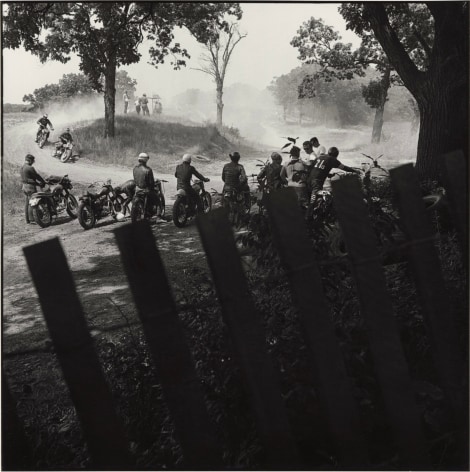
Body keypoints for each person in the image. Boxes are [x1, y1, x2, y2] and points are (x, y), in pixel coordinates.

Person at [306, 146, 361, 219]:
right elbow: (344, 168)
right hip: (317, 182)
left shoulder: (320, 156)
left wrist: (327, 174)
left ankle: (313, 217)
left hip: (309, 180)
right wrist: (355, 171)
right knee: (316, 200)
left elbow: (315, 168)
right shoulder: (332, 159)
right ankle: (308, 219)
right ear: (336, 155)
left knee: (313, 200)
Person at [133, 153, 161, 217]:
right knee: (158, 201)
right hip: (146, 190)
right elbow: (151, 183)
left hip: (137, 189)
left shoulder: (135, 168)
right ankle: (159, 218)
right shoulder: (148, 170)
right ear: (146, 160)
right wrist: (153, 186)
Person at [21, 154, 46, 224]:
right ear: (30, 160)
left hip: (24, 187)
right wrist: (42, 182)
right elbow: (36, 176)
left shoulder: (22, 167)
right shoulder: (30, 168)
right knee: (32, 203)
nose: (33, 162)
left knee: (27, 203)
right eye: (32, 161)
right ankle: (32, 219)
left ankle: (27, 220)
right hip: (30, 187)